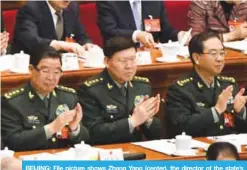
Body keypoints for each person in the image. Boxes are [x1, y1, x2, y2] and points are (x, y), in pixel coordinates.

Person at [1, 46, 89, 151]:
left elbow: (86, 140)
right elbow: (12, 142)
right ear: (31, 69)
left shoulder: (68, 97)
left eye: (56, 72)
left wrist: (74, 128)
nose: (51, 77)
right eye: (45, 71)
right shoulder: (12, 101)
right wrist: (51, 128)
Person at [77, 36, 161, 145]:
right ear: (107, 61)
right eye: (123, 61)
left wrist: (148, 119)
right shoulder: (91, 90)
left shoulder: (142, 86)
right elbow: (92, 133)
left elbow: (157, 135)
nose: (129, 66)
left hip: (138, 151)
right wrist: (133, 122)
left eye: (133, 59)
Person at [165, 31, 247, 137]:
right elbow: (182, 127)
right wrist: (216, 110)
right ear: (196, 58)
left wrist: (241, 112)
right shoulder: (180, 90)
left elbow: (240, 129)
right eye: (213, 53)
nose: (220, 59)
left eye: (222, 53)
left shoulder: (228, 85)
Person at [11, 0, 95, 56]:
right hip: (32, 64)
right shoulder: (31, 8)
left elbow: (82, 35)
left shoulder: (72, 8)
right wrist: (62, 45)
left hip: (62, 65)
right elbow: (32, 41)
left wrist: (87, 44)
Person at [97, 1, 188, 48]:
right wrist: (137, 35)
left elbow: (164, 31)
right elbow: (109, 31)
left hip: (152, 57)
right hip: (123, 55)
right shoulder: (108, 2)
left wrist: (179, 35)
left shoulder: (154, 2)